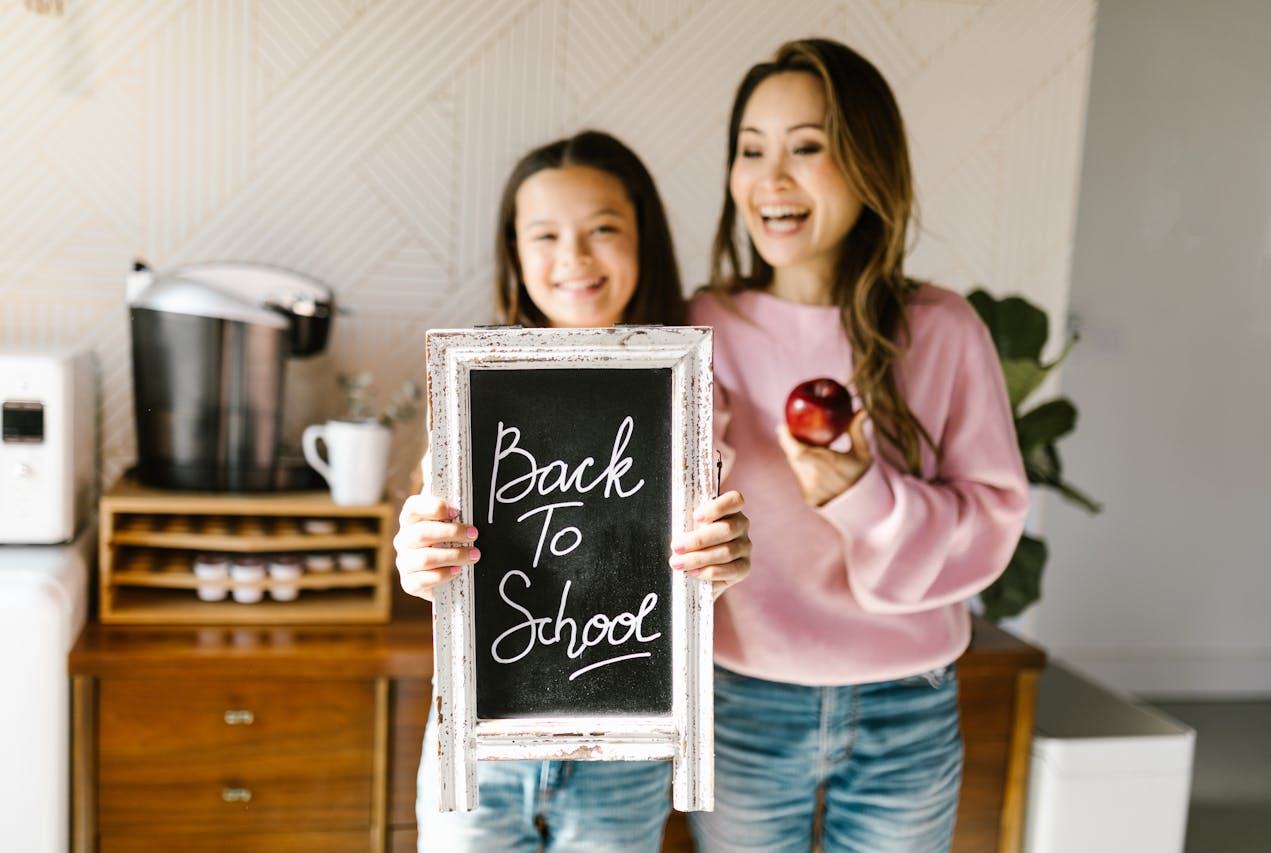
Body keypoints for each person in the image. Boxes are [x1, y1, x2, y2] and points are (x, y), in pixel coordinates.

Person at [686, 39, 1030, 852]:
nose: (770, 179)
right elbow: (672, 508)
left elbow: (994, 515)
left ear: (869, 165)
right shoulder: (703, 325)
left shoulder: (942, 329)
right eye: (750, 150)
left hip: (904, 702)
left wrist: (859, 493)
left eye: (807, 148)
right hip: (743, 697)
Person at [393, 130, 752, 853]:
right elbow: (432, 541)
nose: (575, 257)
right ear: (514, 252)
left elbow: (688, 568)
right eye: (546, 234)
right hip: (483, 729)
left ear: (644, 238)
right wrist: (417, 554)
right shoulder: (475, 385)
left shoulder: (689, 393)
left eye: (604, 230)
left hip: (626, 744)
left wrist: (720, 562)